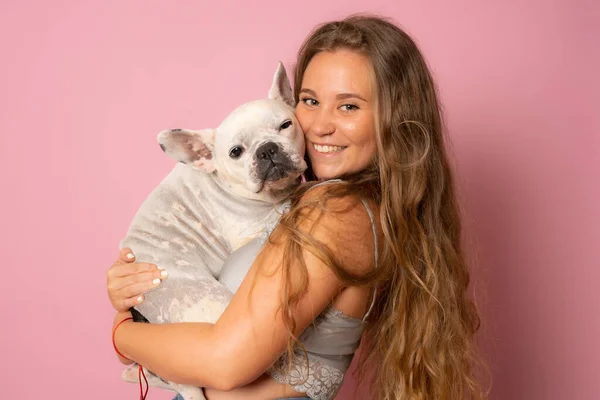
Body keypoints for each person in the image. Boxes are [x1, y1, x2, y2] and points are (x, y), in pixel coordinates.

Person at [107, 15, 486, 400]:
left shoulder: (336, 212)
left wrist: (124, 333)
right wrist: (145, 293)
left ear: (395, 117)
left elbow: (223, 364)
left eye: (349, 107)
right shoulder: (334, 206)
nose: (320, 125)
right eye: (310, 101)